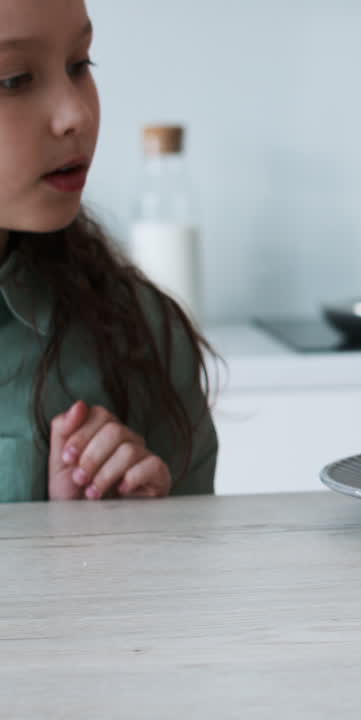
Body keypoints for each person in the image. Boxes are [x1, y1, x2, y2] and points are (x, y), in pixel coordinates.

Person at [0, 0, 218, 501]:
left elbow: (195, 550)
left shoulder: (139, 336)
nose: (76, 114)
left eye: (80, 64)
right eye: (13, 79)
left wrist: (118, 534)